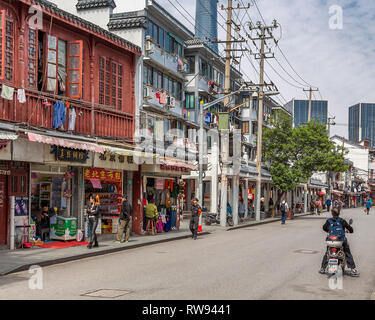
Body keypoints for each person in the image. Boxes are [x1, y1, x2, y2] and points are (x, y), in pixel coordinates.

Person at [319, 207, 359, 276]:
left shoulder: (328, 221)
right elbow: (351, 230)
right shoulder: (342, 221)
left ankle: (323, 268)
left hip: (331, 241)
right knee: (347, 253)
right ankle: (353, 269)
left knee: (327, 253)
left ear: (332, 213)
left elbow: (324, 228)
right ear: (339, 213)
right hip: (340, 241)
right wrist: (348, 230)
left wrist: (328, 231)